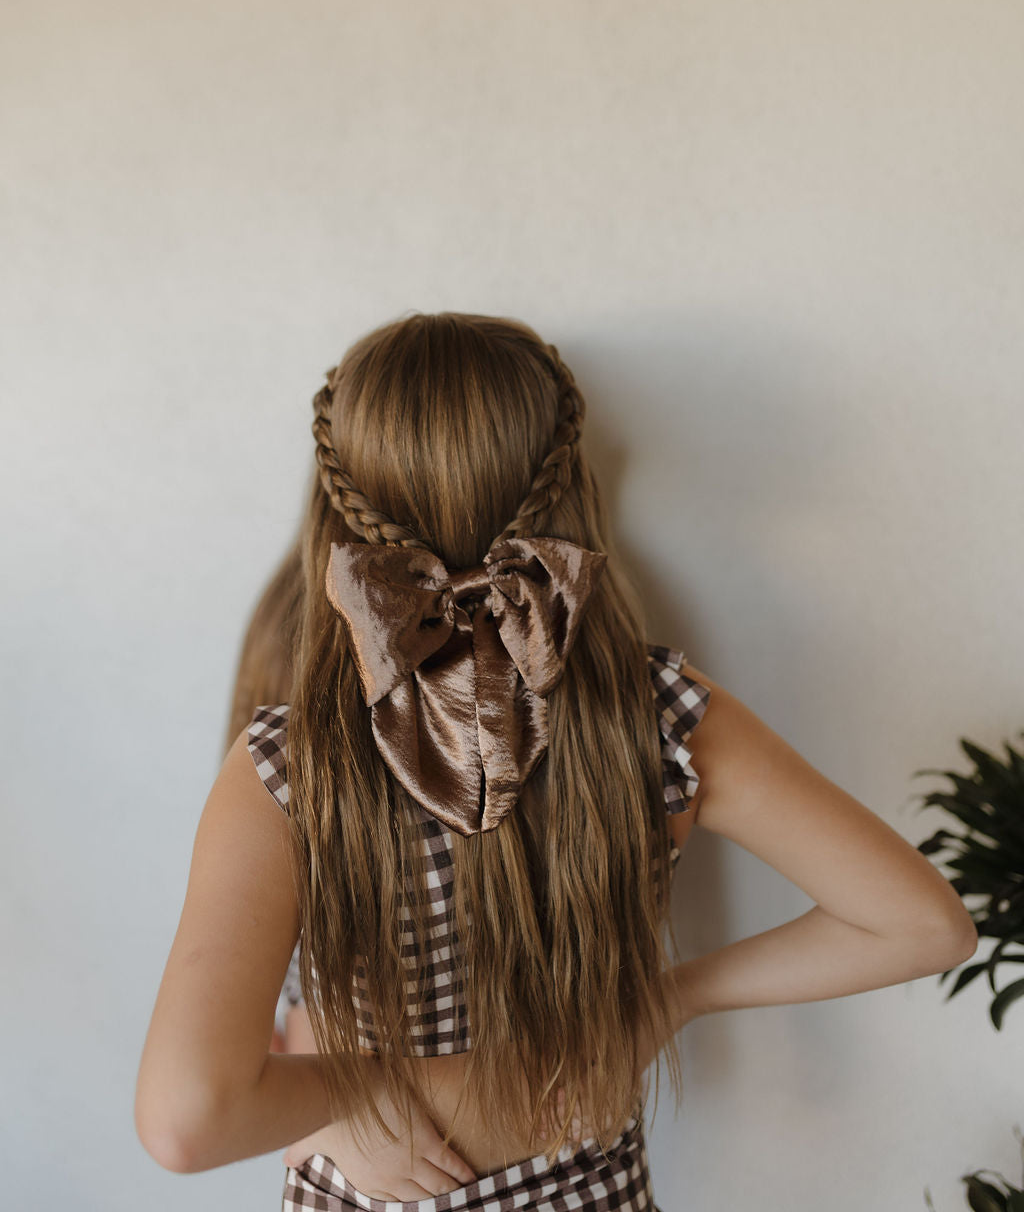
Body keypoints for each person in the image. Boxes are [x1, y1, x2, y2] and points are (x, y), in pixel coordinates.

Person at [135, 311, 977, 1210]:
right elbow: (926, 925)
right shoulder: (661, 717)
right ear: (570, 488)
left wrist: (354, 1097)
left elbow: (190, 1117)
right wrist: (664, 1001)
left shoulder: (284, 766)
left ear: (333, 506)